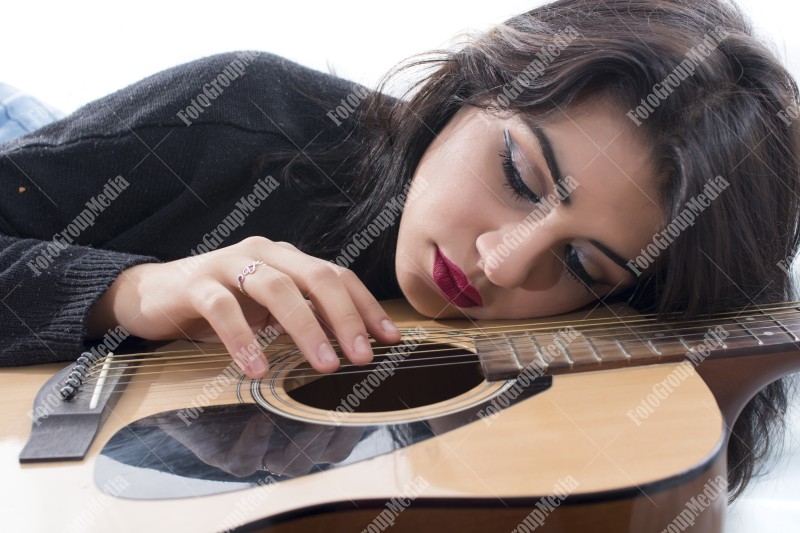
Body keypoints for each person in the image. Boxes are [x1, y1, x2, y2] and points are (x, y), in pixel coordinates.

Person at [1, 0, 797, 501]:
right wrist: (129, 290)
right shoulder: (239, 116)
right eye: (519, 174)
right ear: (469, 87)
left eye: (584, 264)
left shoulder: (601, 339)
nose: (504, 263)